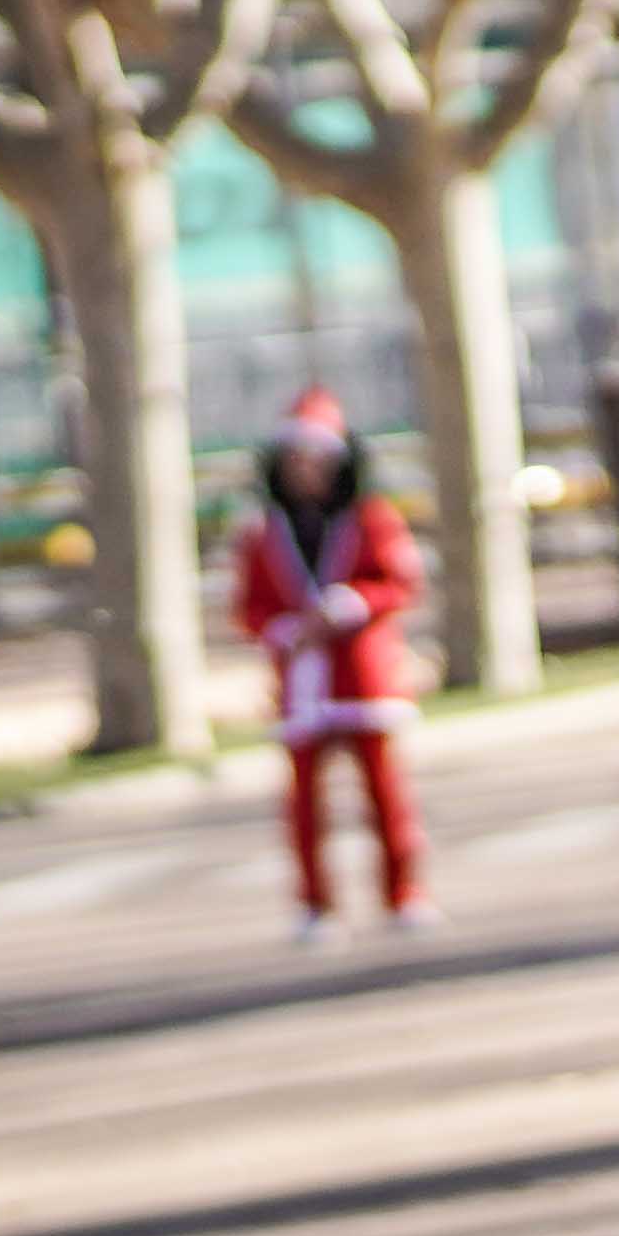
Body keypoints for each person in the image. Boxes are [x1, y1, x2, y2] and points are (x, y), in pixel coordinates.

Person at [233, 389, 434, 946]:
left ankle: (404, 894)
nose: (307, 471)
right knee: (303, 806)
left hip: (361, 676)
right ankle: (315, 904)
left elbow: (400, 582)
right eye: (296, 460)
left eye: (317, 459)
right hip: (301, 681)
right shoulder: (262, 530)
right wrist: (283, 629)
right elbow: (248, 607)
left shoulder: (370, 519)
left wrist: (353, 603)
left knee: (385, 794)